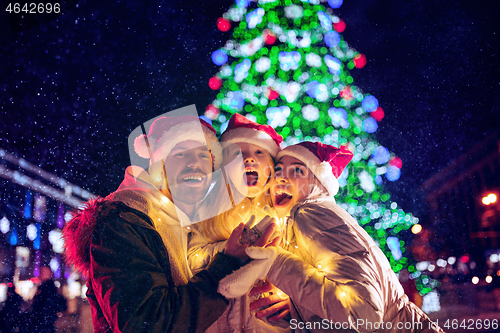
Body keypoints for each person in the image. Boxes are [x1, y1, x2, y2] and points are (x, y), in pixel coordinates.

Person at [63, 113, 276, 333]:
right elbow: (150, 324)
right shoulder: (125, 220)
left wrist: (286, 307)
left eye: (204, 155)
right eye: (181, 154)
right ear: (159, 164)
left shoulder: (185, 221)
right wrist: (226, 265)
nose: (195, 164)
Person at [219, 141, 444, 333]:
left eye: (297, 171)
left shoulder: (310, 212)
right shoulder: (304, 220)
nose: (281, 179)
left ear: (318, 182)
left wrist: (276, 264)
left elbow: (364, 313)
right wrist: (298, 307)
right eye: (278, 171)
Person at [188, 113, 291, 332]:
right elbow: (189, 259)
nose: (249, 159)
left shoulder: (284, 217)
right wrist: (230, 253)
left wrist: (294, 304)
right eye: (238, 153)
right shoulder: (206, 211)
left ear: (272, 167)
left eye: (259, 152)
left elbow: (300, 271)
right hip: (216, 321)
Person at [29, 265, 68, 333]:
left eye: (43, 272)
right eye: (41, 272)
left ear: (49, 274)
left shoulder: (48, 288)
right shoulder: (44, 287)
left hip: (42, 325)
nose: (41, 274)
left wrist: (37, 319)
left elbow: (46, 308)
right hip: (43, 325)